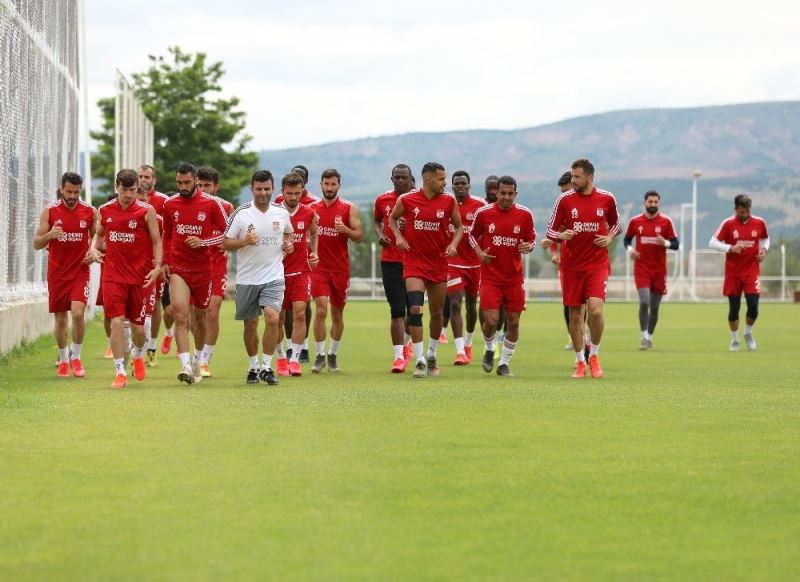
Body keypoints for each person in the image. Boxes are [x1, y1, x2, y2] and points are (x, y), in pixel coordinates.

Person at [545, 159, 620, 379]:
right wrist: (560, 235)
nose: (573, 180)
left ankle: (593, 355)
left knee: (595, 311)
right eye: (572, 176)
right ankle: (580, 361)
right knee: (575, 314)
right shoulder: (564, 200)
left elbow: (617, 224)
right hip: (571, 266)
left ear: (589, 177)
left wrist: (609, 237)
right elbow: (550, 230)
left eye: (577, 177)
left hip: (597, 264)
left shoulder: (607, 198)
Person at [389, 162, 463, 378]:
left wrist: (454, 244)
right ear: (428, 180)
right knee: (415, 308)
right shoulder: (407, 200)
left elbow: (459, 227)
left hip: (438, 263)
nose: (445, 183)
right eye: (441, 179)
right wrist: (399, 237)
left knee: (437, 312)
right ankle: (419, 360)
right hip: (414, 263)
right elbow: (392, 218)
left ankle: (431, 354)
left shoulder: (449, 201)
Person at [91, 169, 162, 388]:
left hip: (139, 278)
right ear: (117, 187)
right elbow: (99, 234)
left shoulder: (146, 211)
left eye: (132, 190)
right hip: (113, 276)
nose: (128, 194)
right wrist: (93, 248)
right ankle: (120, 371)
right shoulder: (105, 210)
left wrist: (157, 267)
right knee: (117, 323)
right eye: (124, 190)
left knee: (139, 330)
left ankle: (138, 354)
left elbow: (157, 241)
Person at [224, 170, 294, 384]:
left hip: (274, 276)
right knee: (250, 324)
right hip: (247, 279)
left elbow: (288, 232)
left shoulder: (281, 212)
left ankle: (266, 367)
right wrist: (244, 241)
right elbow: (225, 243)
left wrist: (287, 244)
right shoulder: (241, 213)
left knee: (273, 318)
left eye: (267, 189)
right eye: (259, 189)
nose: (263, 192)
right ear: (252, 189)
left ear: (273, 189)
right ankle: (253, 367)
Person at [162, 162, 229, 385]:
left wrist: (203, 242)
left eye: (187, 182)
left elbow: (227, 234)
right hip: (179, 268)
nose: (183, 187)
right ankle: (185, 365)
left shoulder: (211, 204)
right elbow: (167, 235)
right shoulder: (170, 204)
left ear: (195, 181)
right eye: (179, 183)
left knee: (201, 318)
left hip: (203, 269)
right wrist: (165, 262)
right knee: (180, 315)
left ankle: (198, 360)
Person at [33, 172, 96, 378]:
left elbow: (99, 238)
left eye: (76, 192)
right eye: (69, 192)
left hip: (80, 271)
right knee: (60, 319)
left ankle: (76, 356)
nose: (72, 196)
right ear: (61, 189)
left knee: (77, 313)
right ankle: (63, 359)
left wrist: (93, 251)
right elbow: (36, 244)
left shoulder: (89, 212)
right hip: (57, 273)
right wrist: (50, 235)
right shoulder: (49, 212)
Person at [470, 175, 535, 376]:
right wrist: (479, 252)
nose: (506, 197)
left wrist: (528, 246)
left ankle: (504, 363)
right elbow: (471, 235)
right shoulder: (483, 213)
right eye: (503, 193)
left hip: (514, 278)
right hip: (490, 277)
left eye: (510, 193)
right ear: (496, 193)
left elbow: (531, 239)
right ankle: (489, 347)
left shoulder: (525, 214)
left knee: (513, 322)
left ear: (516, 194)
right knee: (491, 321)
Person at [308, 169, 364, 373]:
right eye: (326, 184)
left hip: (340, 269)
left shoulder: (349, 208)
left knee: (337, 314)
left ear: (339, 185)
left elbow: (359, 236)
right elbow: (304, 235)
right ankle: (319, 355)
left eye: (333, 184)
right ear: (321, 184)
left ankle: (332, 354)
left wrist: (346, 230)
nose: (329, 187)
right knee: (321, 309)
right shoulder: (312, 209)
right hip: (318, 268)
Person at [709, 194, 769, 351]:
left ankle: (748, 333)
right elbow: (712, 242)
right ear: (735, 209)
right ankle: (735, 340)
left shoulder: (759, 222)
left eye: (747, 211)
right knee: (734, 310)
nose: (745, 215)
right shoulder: (728, 223)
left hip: (751, 271)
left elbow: (766, 239)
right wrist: (730, 248)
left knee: (753, 307)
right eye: (742, 212)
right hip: (733, 273)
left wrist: (764, 250)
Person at [275, 172, 319, 377]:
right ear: (282, 192)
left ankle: (295, 359)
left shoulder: (309, 213)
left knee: (300, 313)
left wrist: (314, 253)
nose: (293, 197)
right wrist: (281, 248)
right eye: (289, 193)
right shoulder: (274, 213)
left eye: (297, 193)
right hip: (276, 273)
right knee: (277, 318)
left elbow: (314, 234)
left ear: (302, 191)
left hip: (301, 271)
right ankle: (281, 357)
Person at [624, 191, 679, 349]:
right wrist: (630, 250)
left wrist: (665, 243)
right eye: (650, 202)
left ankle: (649, 337)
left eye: (656, 202)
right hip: (642, 268)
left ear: (659, 203)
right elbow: (627, 240)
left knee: (654, 307)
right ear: (645, 203)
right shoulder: (635, 221)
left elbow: (676, 244)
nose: (653, 204)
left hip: (659, 271)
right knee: (644, 301)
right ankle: (643, 337)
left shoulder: (666, 222)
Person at [194, 166, 234, 378]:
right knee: (195, 315)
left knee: (212, 310)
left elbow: (230, 236)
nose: (203, 189)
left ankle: (205, 360)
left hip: (217, 266)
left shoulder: (226, 207)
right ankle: (196, 353)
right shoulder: (190, 206)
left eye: (207, 185)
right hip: (195, 267)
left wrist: (226, 243)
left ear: (216, 187)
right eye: (199, 185)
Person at [374, 163, 414, 372]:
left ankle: (407, 344)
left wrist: (411, 227)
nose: (400, 180)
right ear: (392, 179)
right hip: (390, 262)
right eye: (397, 177)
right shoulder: (382, 200)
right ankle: (398, 357)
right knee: (397, 310)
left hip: (414, 262)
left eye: (404, 177)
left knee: (413, 311)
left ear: (410, 179)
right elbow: (377, 220)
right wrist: (380, 234)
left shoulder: (418, 201)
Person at [446, 170, 486, 364]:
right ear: (452, 185)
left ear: (469, 185)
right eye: (457, 183)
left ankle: (468, 343)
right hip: (452, 263)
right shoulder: (446, 203)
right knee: (455, 303)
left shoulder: (480, 205)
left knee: (471, 306)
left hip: (475, 264)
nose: (460, 186)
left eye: (463, 183)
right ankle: (460, 350)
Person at [136, 164, 170, 367]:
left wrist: (164, 261)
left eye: (147, 177)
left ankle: (151, 347)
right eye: (140, 176)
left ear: (154, 180)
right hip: (134, 264)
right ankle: (135, 348)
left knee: (155, 304)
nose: (143, 179)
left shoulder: (164, 202)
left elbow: (167, 233)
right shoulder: (130, 198)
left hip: (155, 263)